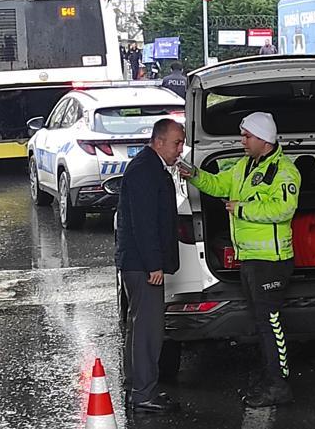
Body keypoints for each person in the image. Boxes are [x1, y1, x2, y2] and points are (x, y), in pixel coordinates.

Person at [179, 112, 301, 407]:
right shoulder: (244, 166)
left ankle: (278, 385)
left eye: (247, 136)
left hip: (271, 260)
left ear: (264, 139)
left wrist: (242, 209)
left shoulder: (284, 171)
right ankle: (272, 377)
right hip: (250, 260)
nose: (242, 141)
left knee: (270, 323)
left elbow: (284, 209)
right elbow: (220, 185)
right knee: (262, 323)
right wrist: (194, 174)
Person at [115, 118, 185, 414]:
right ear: (158, 142)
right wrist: (154, 265)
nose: (180, 149)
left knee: (139, 326)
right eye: (176, 143)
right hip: (143, 266)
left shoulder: (150, 166)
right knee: (148, 330)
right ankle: (144, 394)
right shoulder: (146, 170)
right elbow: (144, 223)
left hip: (138, 263)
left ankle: (138, 387)